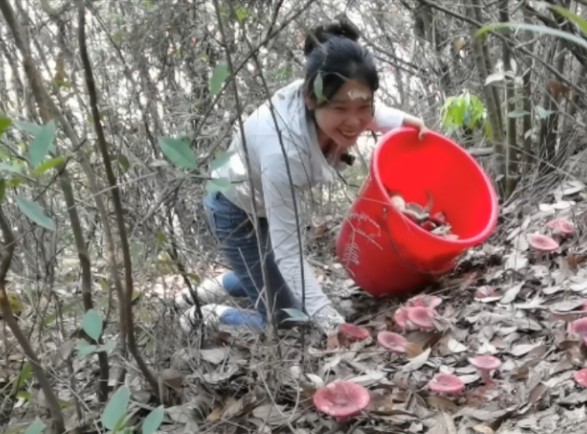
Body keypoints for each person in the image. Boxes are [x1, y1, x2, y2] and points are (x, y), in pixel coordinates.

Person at [179, 18, 426, 333]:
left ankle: (220, 285)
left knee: (270, 274)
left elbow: (363, 108)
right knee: (288, 322)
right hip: (233, 208)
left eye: (364, 107)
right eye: (339, 110)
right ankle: (206, 314)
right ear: (311, 99)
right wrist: (330, 322)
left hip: (265, 199)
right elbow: (288, 252)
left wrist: (409, 122)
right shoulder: (284, 151)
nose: (354, 122)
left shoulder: (339, 97)